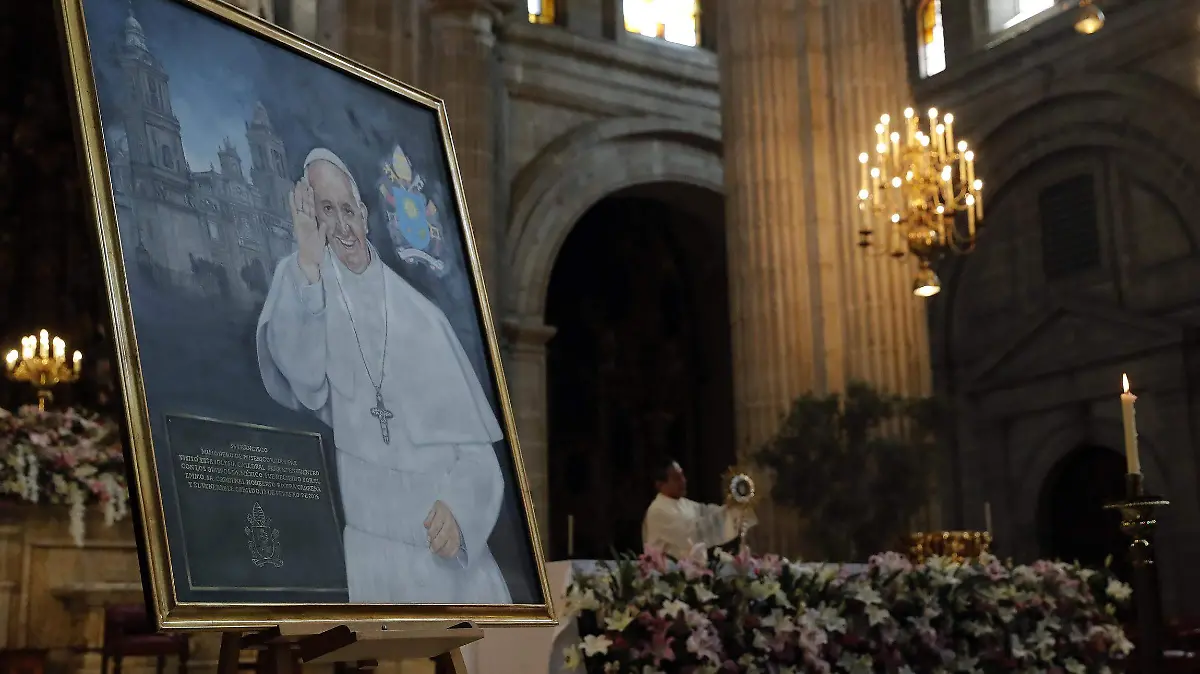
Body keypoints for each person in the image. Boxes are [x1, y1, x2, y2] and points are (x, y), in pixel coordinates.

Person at [256, 148, 511, 604]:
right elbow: (304, 380)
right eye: (326, 210)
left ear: (365, 215)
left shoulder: (424, 317)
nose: (342, 226)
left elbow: (478, 457)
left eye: (348, 210)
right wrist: (309, 266)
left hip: (450, 564)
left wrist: (460, 513)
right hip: (373, 555)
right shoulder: (302, 284)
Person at [642, 459, 757, 558]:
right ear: (660, 485)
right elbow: (692, 534)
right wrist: (730, 515)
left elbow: (706, 511)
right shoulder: (658, 511)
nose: (683, 481)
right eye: (677, 478)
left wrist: (736, 507)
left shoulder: (684, 503)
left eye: (682, 475)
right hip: (669, 574)